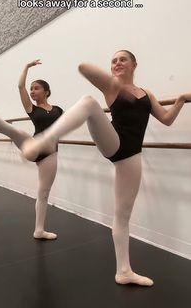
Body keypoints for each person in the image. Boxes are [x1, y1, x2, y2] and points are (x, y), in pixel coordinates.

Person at [20, 50, 190, 286]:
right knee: (89, 102)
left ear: (134, 64)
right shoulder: (111, 88)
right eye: (114, 61)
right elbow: (84, 67)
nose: (117, 63)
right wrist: (115, 84)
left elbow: (167, 119)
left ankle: (124, 271)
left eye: (123, 59)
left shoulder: (147, 94)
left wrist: (181, 99)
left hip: (132, 155)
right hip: (114, 141)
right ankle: (45, 139)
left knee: (122, 215)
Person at [0, 59, 63, 240]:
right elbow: (20, 87)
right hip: (34, 145)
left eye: (36, 88)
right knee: (13, 130)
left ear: (46, 91)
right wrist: (26, 67)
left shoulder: (58, 110)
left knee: (43, 192)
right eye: (31, 88)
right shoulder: (31, 108)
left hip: (50, 154)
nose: (32, 91)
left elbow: (66, 125)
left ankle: (39, 230)